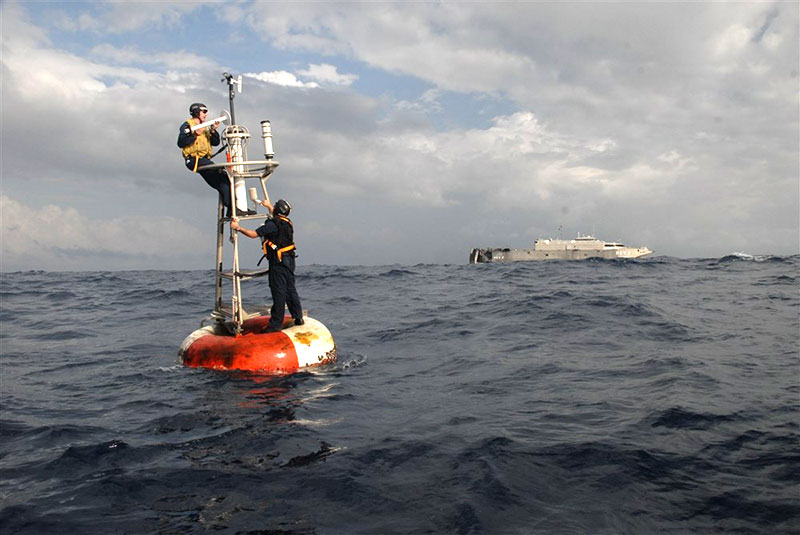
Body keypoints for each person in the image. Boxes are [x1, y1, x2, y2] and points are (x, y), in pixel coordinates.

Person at [231, 199, 304, 332]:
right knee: (290, 289)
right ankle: (298, 317)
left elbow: (253, 234)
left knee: (279, 293)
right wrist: (268, 205)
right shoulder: (287, 222)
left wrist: (238, 228)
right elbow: (277, 215)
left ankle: (275, 325)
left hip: (278, 263)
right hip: (289, 261)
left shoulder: (271, 225)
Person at [177, 102, 254, 218]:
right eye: (204, 111)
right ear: (197, 112)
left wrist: (212, 131)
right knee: (219, 175)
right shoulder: (188, 126)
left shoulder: (205, 126)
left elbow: (216, 142)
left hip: (204, 160)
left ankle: (233, 208)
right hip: (195, 160)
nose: (206, 114)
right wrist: (195, 135)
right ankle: (234, 208)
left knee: (223, 180)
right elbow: (181, 142)